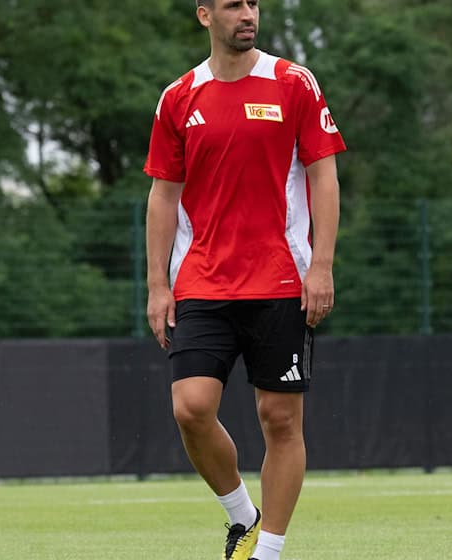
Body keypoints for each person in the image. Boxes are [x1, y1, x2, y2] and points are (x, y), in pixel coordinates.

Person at [143, 0, 346, 558]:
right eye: (234, 5)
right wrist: (158, 286)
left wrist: (322, 265)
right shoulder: (179, 97)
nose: (247, 14)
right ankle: (241, 514)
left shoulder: (293, 83)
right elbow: (162, 195)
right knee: (190, 407)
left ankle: (268, 550)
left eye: (253, 3)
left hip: (281, 281)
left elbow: (324, 176)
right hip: (201, 283)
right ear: (205, 15)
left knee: (279, 418)